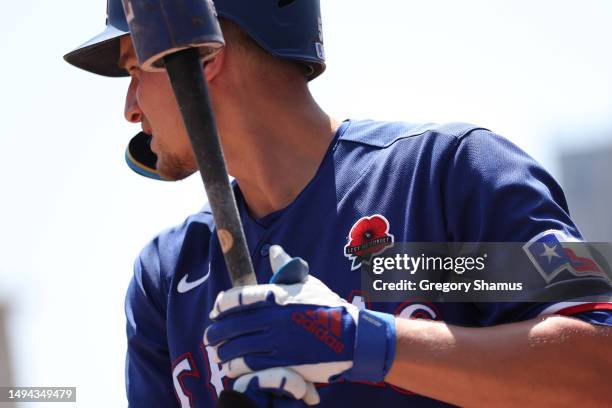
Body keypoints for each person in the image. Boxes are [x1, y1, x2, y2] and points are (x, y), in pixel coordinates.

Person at [64, 0, 612, 406]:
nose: (130, 108)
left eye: (137, 66)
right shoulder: (167, 276)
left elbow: (599, 359)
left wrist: (366, 342)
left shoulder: (446, 174)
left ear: (204, 53)